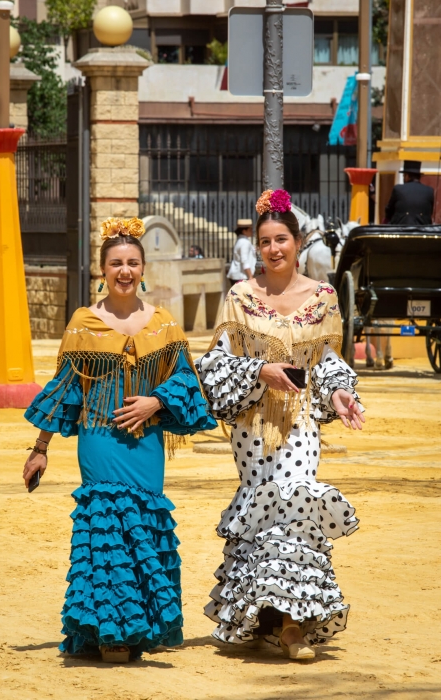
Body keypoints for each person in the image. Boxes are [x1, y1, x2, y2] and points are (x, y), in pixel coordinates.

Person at [22, 217, 216, 662]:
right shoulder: (83, 323)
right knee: (105, 534)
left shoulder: (164, 324)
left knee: (143, 531)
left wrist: (155, 402)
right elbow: (64, 391)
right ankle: (109, 635)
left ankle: (135, 630)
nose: (124, 271)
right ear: (102, 271)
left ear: (143, 268)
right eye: (115, 264)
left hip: (145, 447)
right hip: (98, 441)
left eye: (132, 262)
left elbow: (188, 384)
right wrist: (40, 448)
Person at [196, 189, 365, 661]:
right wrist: (258, 371)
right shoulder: (240, 297)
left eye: (281, 239)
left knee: (294, 502)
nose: (273, 249)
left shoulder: (324, 297)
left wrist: (338, 392)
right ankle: (266, 618)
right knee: (263, 513)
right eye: (265, 241)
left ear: (297, 241)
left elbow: (328, 361)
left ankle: (293, 626)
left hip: (301, 425)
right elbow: (214, 365)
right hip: (252, 429)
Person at [384, 161, 434, 225]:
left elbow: (389, 211)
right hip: (423, 231)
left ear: (407, 176)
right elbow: (429, 212)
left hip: (401, 230)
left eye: (403, 176)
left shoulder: (398, 189)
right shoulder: (429, 191)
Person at [227, 218, 257, 285]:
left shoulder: (241, 241)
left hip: (237, 275)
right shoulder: (245, 242)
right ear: (244, 231)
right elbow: (244, 260)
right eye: (250, 229)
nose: (252, 231)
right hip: (241, 276)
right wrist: (250, 276)